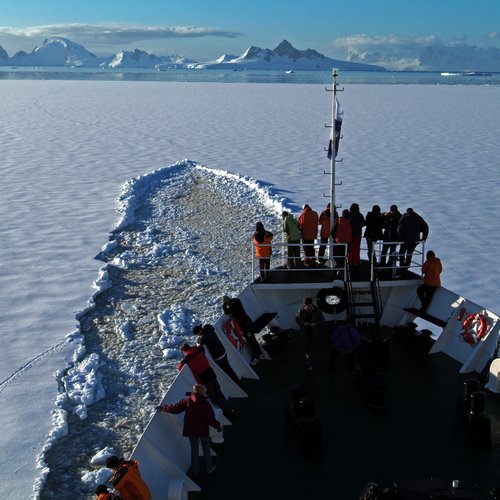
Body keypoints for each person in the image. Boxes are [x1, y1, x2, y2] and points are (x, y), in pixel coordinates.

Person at [156, 384, 221, 476]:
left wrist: (163, 408)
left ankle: (195, 471)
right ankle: (209, 468)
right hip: (202, 430)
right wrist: (218, 426)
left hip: (191, 430)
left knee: (194, 451)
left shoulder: (187, 401)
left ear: (194, 391)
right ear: (202, 392)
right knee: (206, 448)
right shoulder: (205, 404)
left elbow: (175, 408)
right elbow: (210, 419)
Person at [179, 343, 235, 417]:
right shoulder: (199, 349)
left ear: (184, 351)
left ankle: (229, 409)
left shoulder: (187, 358)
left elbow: (180, 367)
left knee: (213, 395)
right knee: (218, 391)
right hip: (211, 373)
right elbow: (201, 347)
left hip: (204, 378)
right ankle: (229, 408)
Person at [222, 295, 263, 365]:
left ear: (227, 302)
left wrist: (224, 305)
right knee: (253, 339)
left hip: (245, 325)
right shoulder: (237, 301)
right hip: (248, 322)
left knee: (251, 341)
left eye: (226, 303)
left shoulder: (232, 306)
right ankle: (260, 354)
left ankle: (257, 358)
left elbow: (226, 312)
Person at [295, 296, 324, 372]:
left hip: (314, 332)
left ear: (311, 303)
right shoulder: (301, 311)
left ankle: (311, 363)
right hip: (305, 333)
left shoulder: (317, 311)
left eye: (309, 306)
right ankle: (309, 359)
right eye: (306, 306)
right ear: (304, 304)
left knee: (312, 348)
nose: (308, 307)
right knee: (306, 347)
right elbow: (297, 319)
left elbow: (322, 320)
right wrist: (303, 323)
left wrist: (315, 323)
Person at [380, 204, 402, 269]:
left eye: (393, 211)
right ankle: (382, 264)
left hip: (394, 239)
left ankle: (389, 266)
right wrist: (383, 214)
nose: (392, 212)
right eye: (392, 211)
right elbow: (380, 217)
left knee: (391, 254)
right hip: (386, 238)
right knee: (384, 252)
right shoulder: (388, 215)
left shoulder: (399, 217)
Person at [348, 203, 365, 267]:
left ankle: (350, 261)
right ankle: (356, 262)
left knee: (350, 249)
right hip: (357, 234)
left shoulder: (349, 215)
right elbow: (363, 223)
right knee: (357, 248)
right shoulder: (360, 215)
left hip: (350, 234)